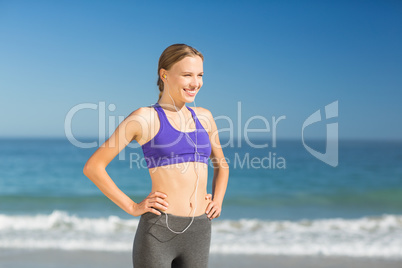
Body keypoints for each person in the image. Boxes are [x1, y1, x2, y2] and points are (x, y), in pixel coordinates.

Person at [83, 43, 229, 268]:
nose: (195, 83)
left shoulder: (205, 117)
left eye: (200, 75)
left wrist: (217, 200)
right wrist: (132, 207)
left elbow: (222, 166)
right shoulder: (144, 118)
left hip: (200, 229)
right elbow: (94, 167)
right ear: (165, 75)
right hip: (159, 230)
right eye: (187, 75)